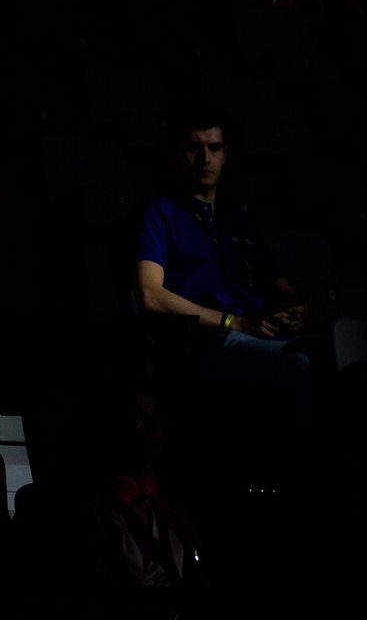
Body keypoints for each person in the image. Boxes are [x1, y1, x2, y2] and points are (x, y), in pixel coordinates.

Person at [134, 103, 319, 426]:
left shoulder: (237, 222)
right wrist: (232, 322)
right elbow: (150, 295)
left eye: (214, 148)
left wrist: (294, 308)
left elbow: (283, 289)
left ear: (225, 154)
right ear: (179, 153)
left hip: (257, 335)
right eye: (194, 147)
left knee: (337, 354)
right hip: (206, 343)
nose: (205, 159)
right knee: (303, 365)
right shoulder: (161, 212)